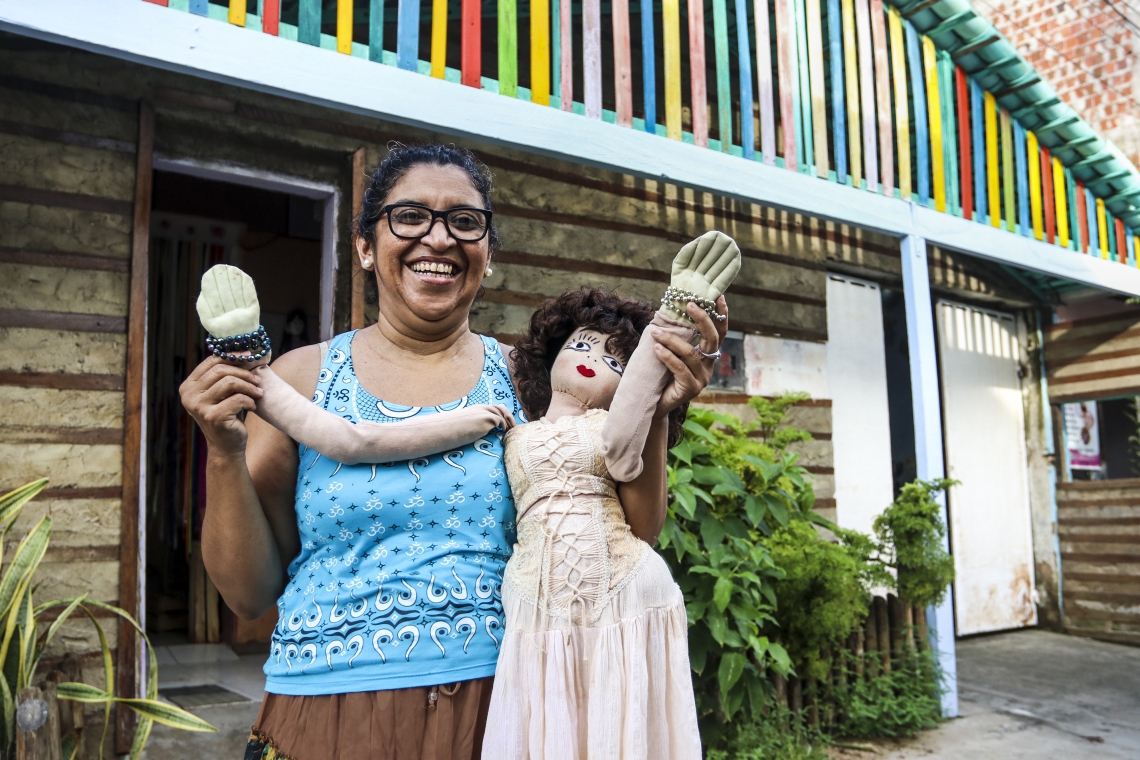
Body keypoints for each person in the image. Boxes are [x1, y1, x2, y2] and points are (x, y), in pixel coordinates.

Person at [179, 143, 727, 760]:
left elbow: (632, 531)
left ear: (487, 254)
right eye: (409, 216)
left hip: (506, 711)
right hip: (325, 710)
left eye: (464, 222)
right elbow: (249, 593)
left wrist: (653, 405)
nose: (437, 239)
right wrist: (222, 451)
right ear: (364, 245)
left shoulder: (531, 381)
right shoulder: (303, 378)